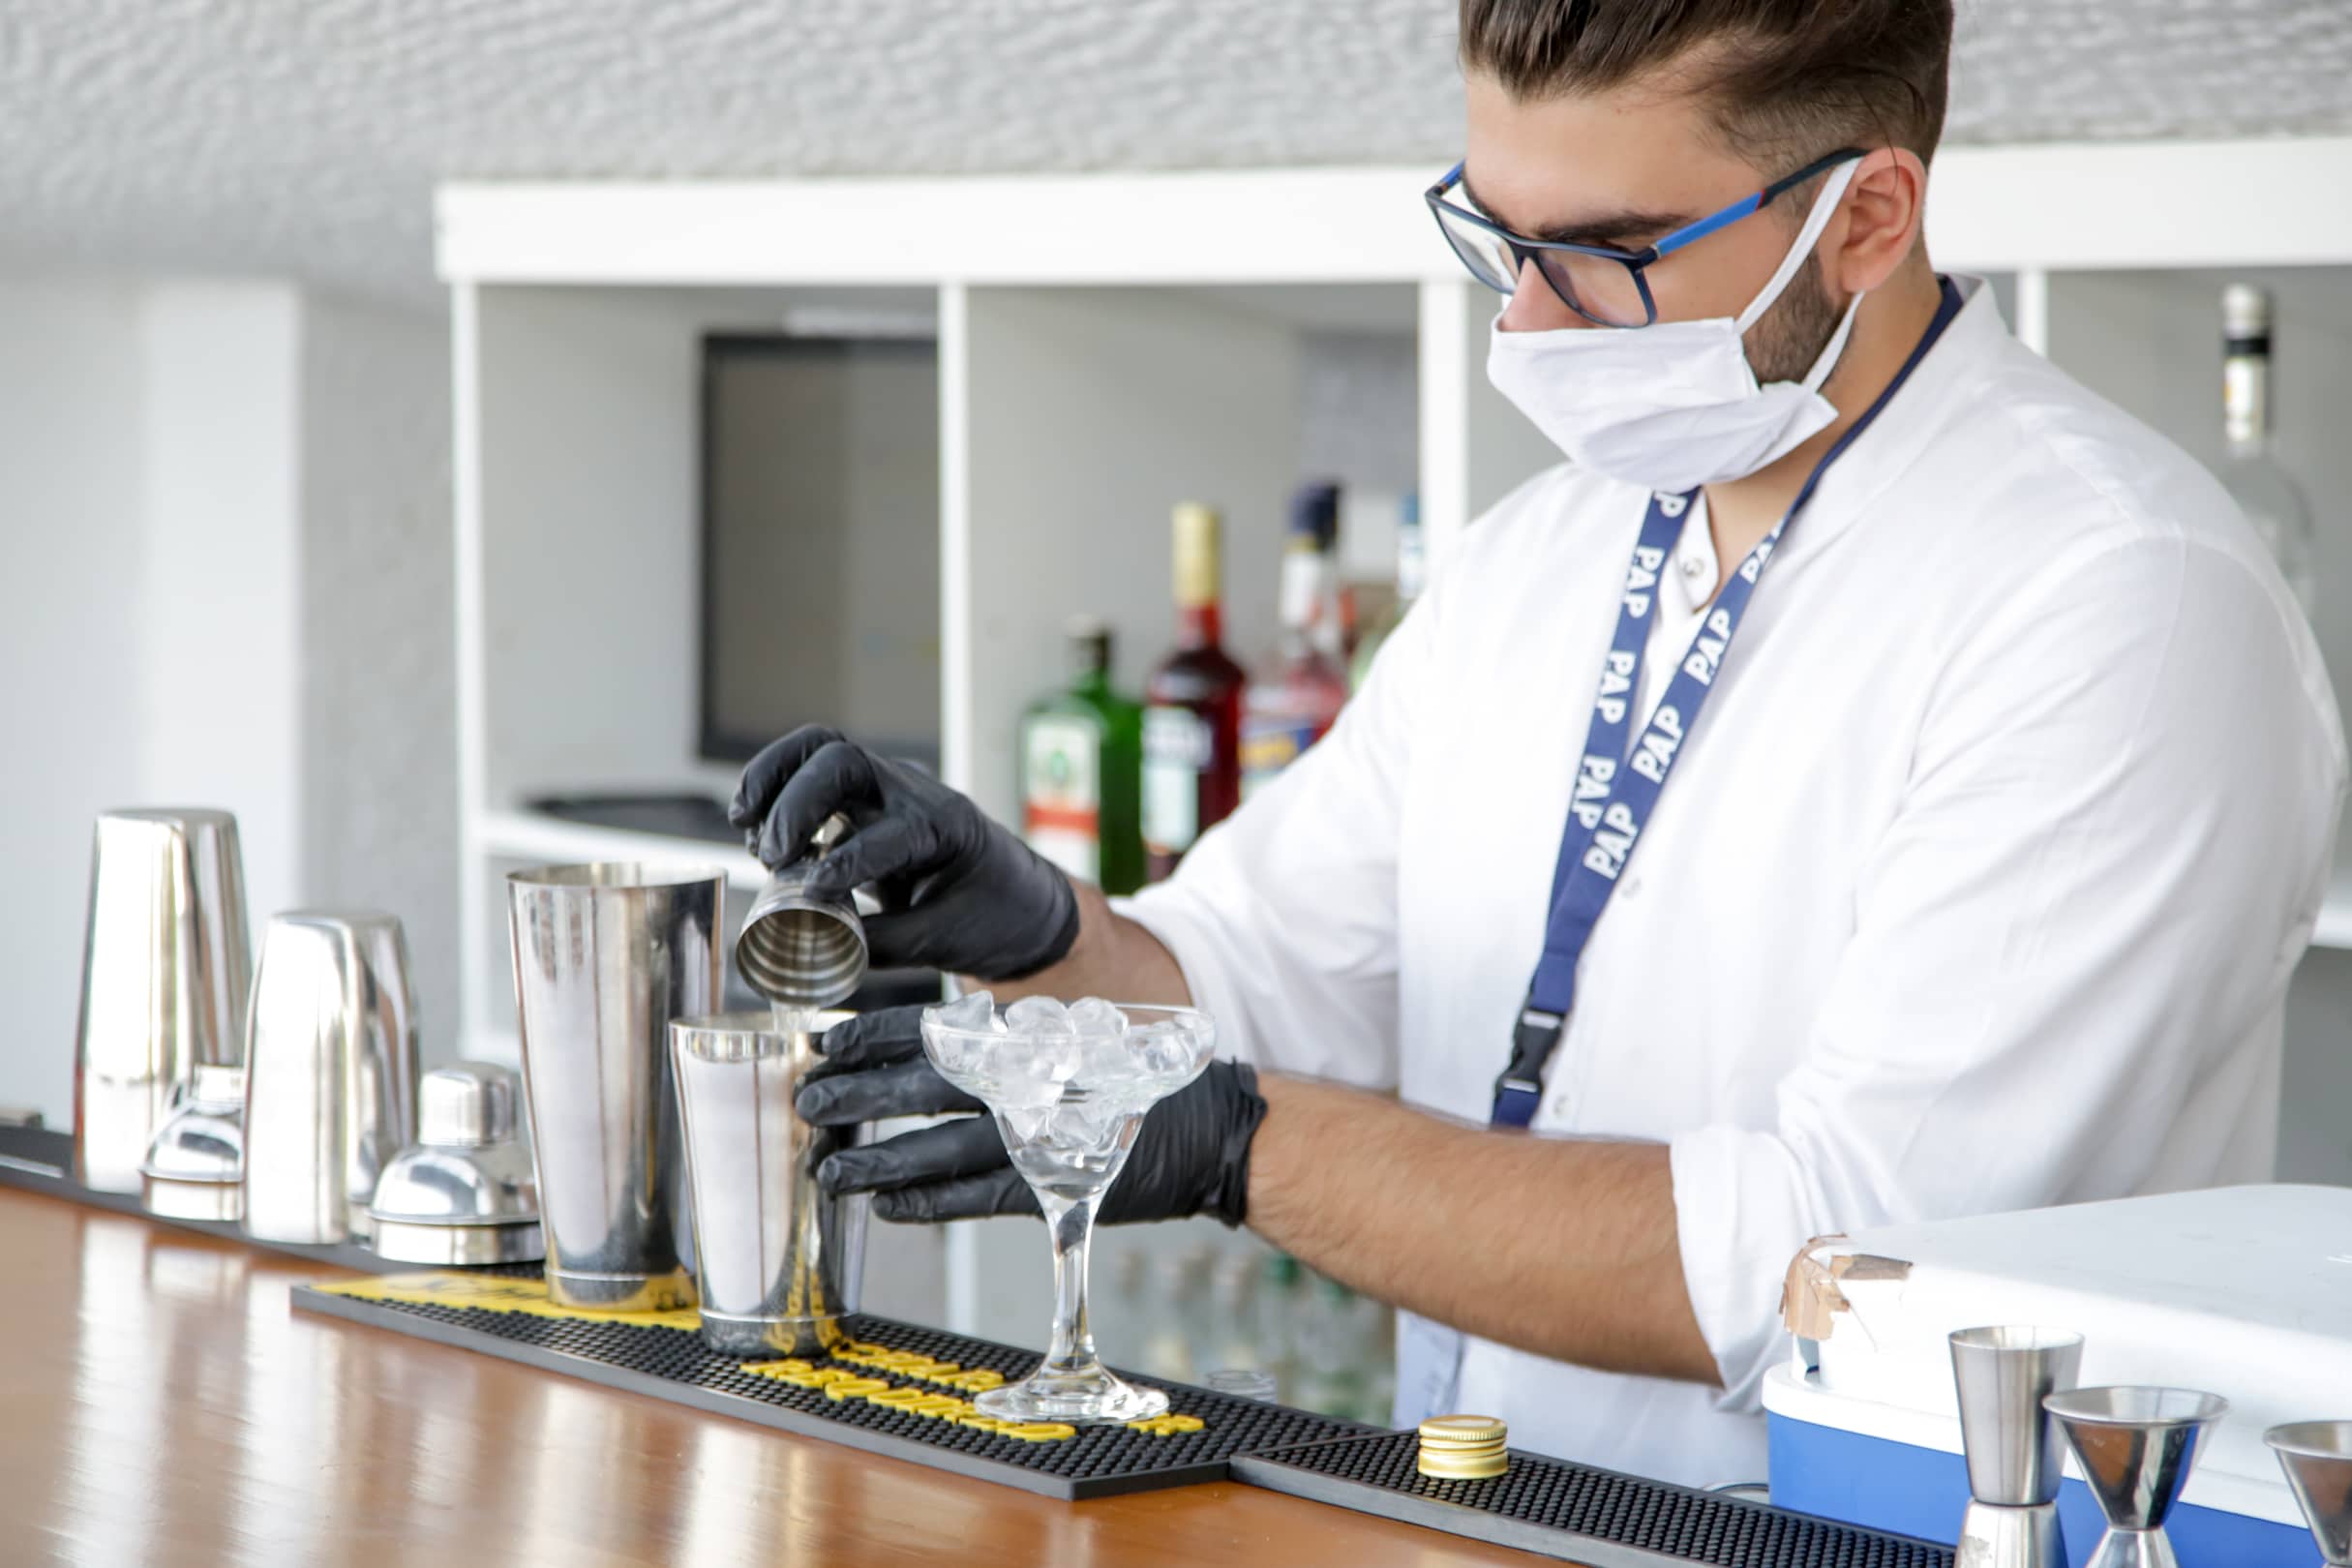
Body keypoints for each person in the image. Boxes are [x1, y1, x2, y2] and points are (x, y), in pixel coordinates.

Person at [729, 0, 2345, 1489]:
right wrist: (1044, 936)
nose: (1526, 314)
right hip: (1481, 1499)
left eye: (1608, 250)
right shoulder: (1542, 553)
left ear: (1865, 216)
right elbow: (1257, 986)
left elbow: (1833, 1266)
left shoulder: (2114, 598)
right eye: (1499, 236)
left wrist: (1243, 1150)